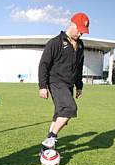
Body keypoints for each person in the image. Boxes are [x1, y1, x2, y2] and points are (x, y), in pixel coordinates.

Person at [38, 12, 90, 150]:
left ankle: (47, 147)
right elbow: (44, 64)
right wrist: (42, 86)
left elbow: (79, 67)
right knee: (70, 108)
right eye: (79, 30)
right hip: (55, 81)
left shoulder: (80, 45)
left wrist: (79, 86)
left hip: (69, 84)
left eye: (83, 33)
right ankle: (52, 138)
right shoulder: (55, 42)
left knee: (60, 113)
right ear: (72, 24)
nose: (80, 35)